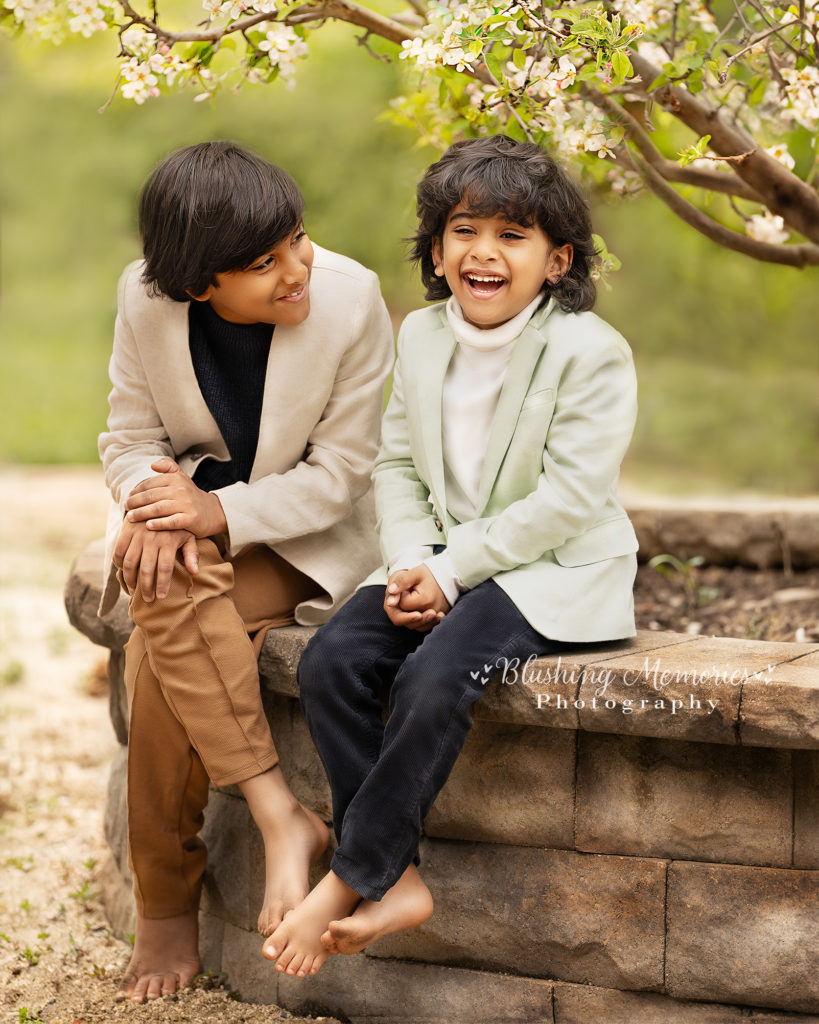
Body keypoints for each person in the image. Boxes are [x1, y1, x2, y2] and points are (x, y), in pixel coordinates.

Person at [261, 134, 640, 979]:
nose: (485, 253)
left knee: (434, 677)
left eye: (514, 236)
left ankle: (351, 876)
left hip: (551, 568)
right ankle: (397, 877)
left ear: (556, 261)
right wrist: (408, 561)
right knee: (333, 661)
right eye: (466, 231)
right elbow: (393, 464)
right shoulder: (424, 337)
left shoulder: (589, 352)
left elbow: (568, 501)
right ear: (436, 251)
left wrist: (453, 569)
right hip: (437, 557)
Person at [97, 140, 393, 1004]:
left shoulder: (351, 302)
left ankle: (166, 906)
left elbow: (344, 473)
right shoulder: (143, 298)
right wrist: (162, 502)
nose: (296, 269)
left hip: (302, 533)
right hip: (189, 519)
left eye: (296, 240)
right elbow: (128, 438)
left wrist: (218, 516)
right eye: (264, 264)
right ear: (199, 286)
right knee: (164, 583)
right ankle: (278, 811)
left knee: (159, 636)